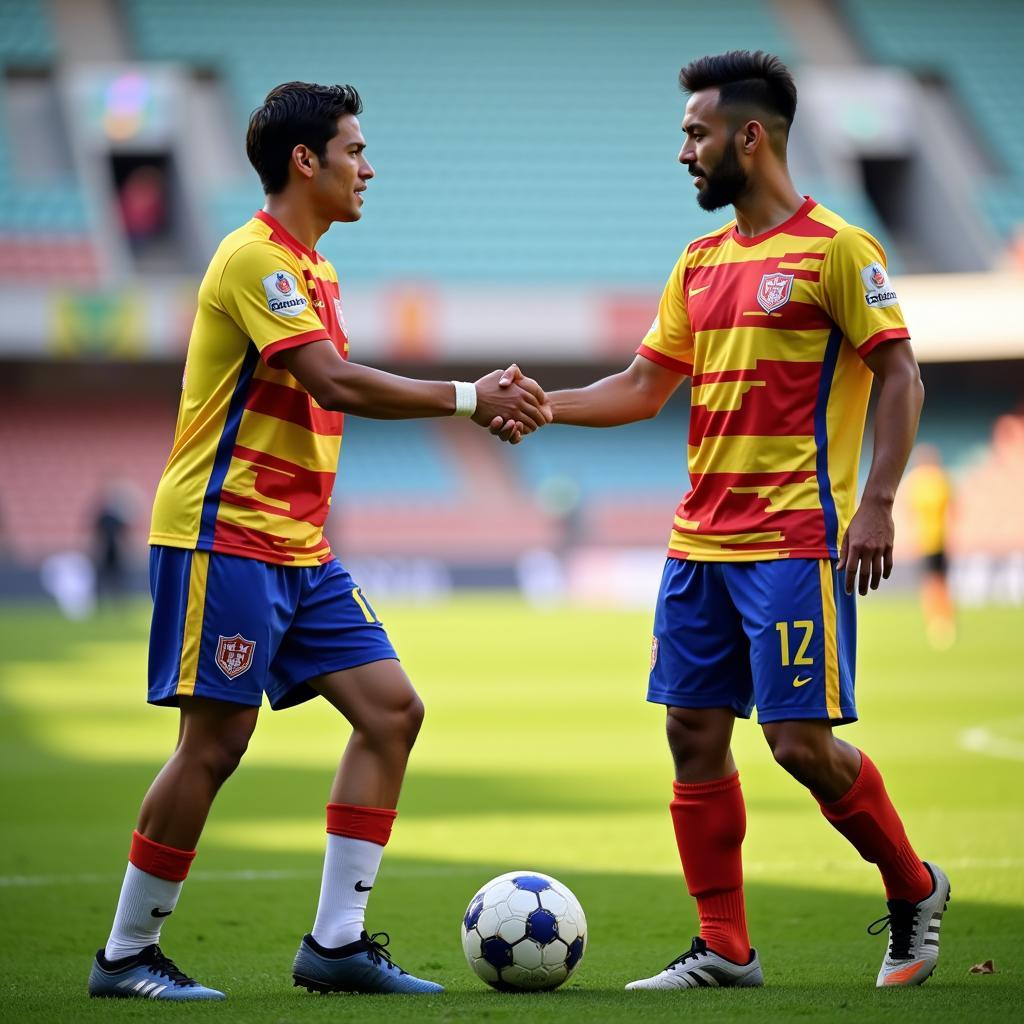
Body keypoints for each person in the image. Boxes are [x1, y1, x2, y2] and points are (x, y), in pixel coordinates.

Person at [87, 81, 551, 1002]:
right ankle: (126, 956)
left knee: (391, 712)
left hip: (297, 545)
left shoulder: (317, 271)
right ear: (307, 161)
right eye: (355, 150)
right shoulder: (253, 259)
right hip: (226, 537)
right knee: (214, 744)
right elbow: (332, 383)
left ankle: (336, 945)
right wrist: (468, 398)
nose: (368, 167)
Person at [503, 49, 948, 990]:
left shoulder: (839, 250)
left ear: (751, 137)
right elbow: (640, 386)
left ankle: (913, 887)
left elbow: (902, 372)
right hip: (698, 542)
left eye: (696, 135)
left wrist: (876, 501)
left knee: (798, 744)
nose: (685, 153)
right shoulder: (699, 264)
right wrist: (541, 404)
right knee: (692, 735)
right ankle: (725, 949)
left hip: (793, 539)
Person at [905, 444, 955, 648]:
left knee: (930, 585)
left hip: (926, 542)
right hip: (941, 540)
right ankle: (945, 622)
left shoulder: (916, 482)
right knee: (941, 584)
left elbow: (910, 511)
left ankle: (935, 623)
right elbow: (954, 509)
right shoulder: (942, 480)